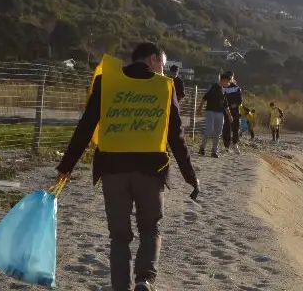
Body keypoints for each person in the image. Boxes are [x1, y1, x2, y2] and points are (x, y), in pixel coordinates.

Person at [55, 43, 199, 291]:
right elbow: (176, 137)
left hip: (113, 170)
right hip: (151, 171)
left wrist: (67, 165)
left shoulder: (107, 82)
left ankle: (120, 286)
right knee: (151, 228)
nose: (163, 71)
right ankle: (144, 280)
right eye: (162, 65)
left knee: (119, 236)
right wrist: (190, 176)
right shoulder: (165, 87)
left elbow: (86, 127)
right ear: (153, 59)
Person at [197, 73, 232, 158]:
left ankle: (214, 151)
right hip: (210, 111)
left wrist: (229, 115)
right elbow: (204, 98)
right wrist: (199, 108)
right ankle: (202, 147)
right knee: (209, 130)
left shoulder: (224, 90)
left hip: (220, 113)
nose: (229, 84)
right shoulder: (213, 87)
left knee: (218, 132)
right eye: (228, 82)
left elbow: (225, 104)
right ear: (223, 80)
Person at [221, 71, 243, 154]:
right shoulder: (223, 88)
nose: (230, 79)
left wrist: (233, 105)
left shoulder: (237, 88)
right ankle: (226, 147)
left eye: (231, 77)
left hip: (235, 111)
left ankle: (235, 144)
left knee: (235, 128)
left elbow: (240, 100)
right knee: (226, 129)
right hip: (226, 111)